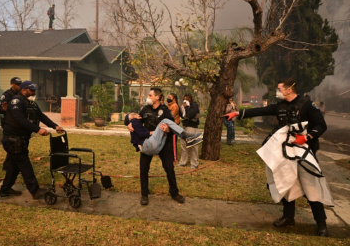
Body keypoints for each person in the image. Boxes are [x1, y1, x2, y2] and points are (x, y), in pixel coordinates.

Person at [225, 78, 332, 237]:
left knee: (311, 186)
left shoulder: (307, 105)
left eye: (279, 88)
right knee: (285, 183)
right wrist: (237, 113)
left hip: (304, 152)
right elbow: (260, 111)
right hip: (285, 153)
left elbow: (321, 125)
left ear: (289, 90)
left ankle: (321, 223)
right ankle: (288, 217)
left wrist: (307, 137)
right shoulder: (280, 106)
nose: (277, 91)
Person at [0, 80, 63, 199]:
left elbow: (41, 116)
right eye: (31, 90)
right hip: (13, 139)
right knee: (24, 165)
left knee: (14, 166)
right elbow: (20, 120)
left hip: (21, 139)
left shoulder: (31, 103)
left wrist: (55, 126)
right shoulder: (16, 101)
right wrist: (38, 129)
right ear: (23, 90)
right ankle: (35, 191)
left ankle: (5, 189)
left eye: (34, 90)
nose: (34, 92)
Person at [127, 88, 185, 206]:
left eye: (150, 95)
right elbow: (135, 119)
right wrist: (129, 123)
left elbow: (173, 125)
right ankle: (144, 194)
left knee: (169, 168)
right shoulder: (145, 109)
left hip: (163, 143)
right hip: (148, 142)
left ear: (157, 97)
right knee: (143, 169)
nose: (148, 97)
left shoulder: (165, 110)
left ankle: (174, 192)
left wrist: (168, 129)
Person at [126, 112, 202, 156]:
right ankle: (187, 135)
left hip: (152, 150)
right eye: (134, 113)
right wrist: (151, 132)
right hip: (147, 145)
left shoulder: (133, 123)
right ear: (131, 117)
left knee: (165, 126)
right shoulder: (134, 121)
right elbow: (141, 134)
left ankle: (187, 140)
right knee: (164, 120)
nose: (136, 113)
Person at [178, 94, 201, 169]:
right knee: (184, 145)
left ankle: (194, 163)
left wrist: (187, 107)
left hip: (192, 127)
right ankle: (183, 162)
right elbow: (182, 115)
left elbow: (190, 114)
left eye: (187, 99)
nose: (185, 101)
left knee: (193, 145)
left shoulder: (194, 105)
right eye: (184, 99)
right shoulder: (184, 106)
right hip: (185, 126)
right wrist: (182, 109)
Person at [167, 93, 181, 163]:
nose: (168, 98)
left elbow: (171, 116)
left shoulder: (175, 106)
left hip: (174, 126)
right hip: (169, 126)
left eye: (170, 97)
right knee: (169, 143)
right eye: (168, 97)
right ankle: (169, 157)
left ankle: (174, 158)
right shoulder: (169, 105)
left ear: (174, 99)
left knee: (173, 142)